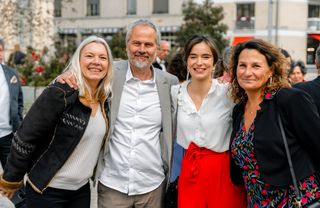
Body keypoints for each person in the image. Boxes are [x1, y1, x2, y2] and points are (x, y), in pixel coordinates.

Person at [57, 19, 179, 208]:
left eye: (148, 44)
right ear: (127, 45)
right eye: (136, 43)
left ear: (156, 48)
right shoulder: (110, 73)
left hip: (152, 186)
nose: (142, 49)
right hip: (112, 185)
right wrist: (64, 77)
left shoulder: (169, 83)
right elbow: (84, 71)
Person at [0, 35, 113, 208]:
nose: (96, 62)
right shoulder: (61, 92)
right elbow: (26, 135)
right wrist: (11, 178)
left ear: (109, 65)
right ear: (78, 60)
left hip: (81, 191)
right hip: (46, 190)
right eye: (89, 56)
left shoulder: (106, 99)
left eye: (102, 57)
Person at [229, 39, 320, 207]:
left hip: (296, 201)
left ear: (271, 70)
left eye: (256, 66)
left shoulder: (290, 100)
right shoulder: (239, 110)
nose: (247, 72)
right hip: (258, 202)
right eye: (242, 66)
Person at [171, 34, 247, 208]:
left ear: (214, 62)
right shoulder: (175, 93)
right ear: (186, 61)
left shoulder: (228, 93)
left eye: (206, 57)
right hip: (190, 170)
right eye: (193, 57)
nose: (199, 62)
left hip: (223, 171)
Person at [0, 38, 23, 169]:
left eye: (1, 51)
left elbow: (19, 101)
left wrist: (18, 124)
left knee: (14, 178)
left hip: (8, 136)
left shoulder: (11, 74)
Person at [294, 46, 320, 113]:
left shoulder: (299, 90)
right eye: (293, 73)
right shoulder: (298, 89)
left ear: (316, 63)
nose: (296, 76)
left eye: (298, 73)